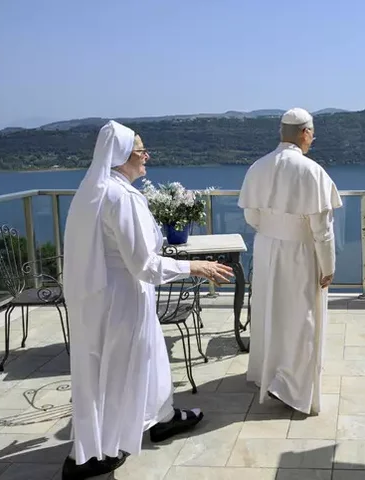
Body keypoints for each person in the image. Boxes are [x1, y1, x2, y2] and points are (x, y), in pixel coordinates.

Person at [62, 120, 233, 479]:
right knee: (116, 372)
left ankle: (161, 417)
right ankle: (100, 452)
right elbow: (144, 264)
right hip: (121, 300)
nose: (146, 156)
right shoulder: (120, 197)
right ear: (123, 155)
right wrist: (194, 266)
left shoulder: (91, 189)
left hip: (96, 296)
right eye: (140, 150)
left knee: (144, 358)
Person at [238, 107, 342, 415]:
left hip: (267, 248)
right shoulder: (312, 172)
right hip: (299, 252)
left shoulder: (257, 167)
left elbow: (251, 215)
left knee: (270, 311)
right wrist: (329, 266)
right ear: (305, 133)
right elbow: (322, 231)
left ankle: (267, 373)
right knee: (300, 317)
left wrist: (273, 231)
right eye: (312, 134)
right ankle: (295, 387)